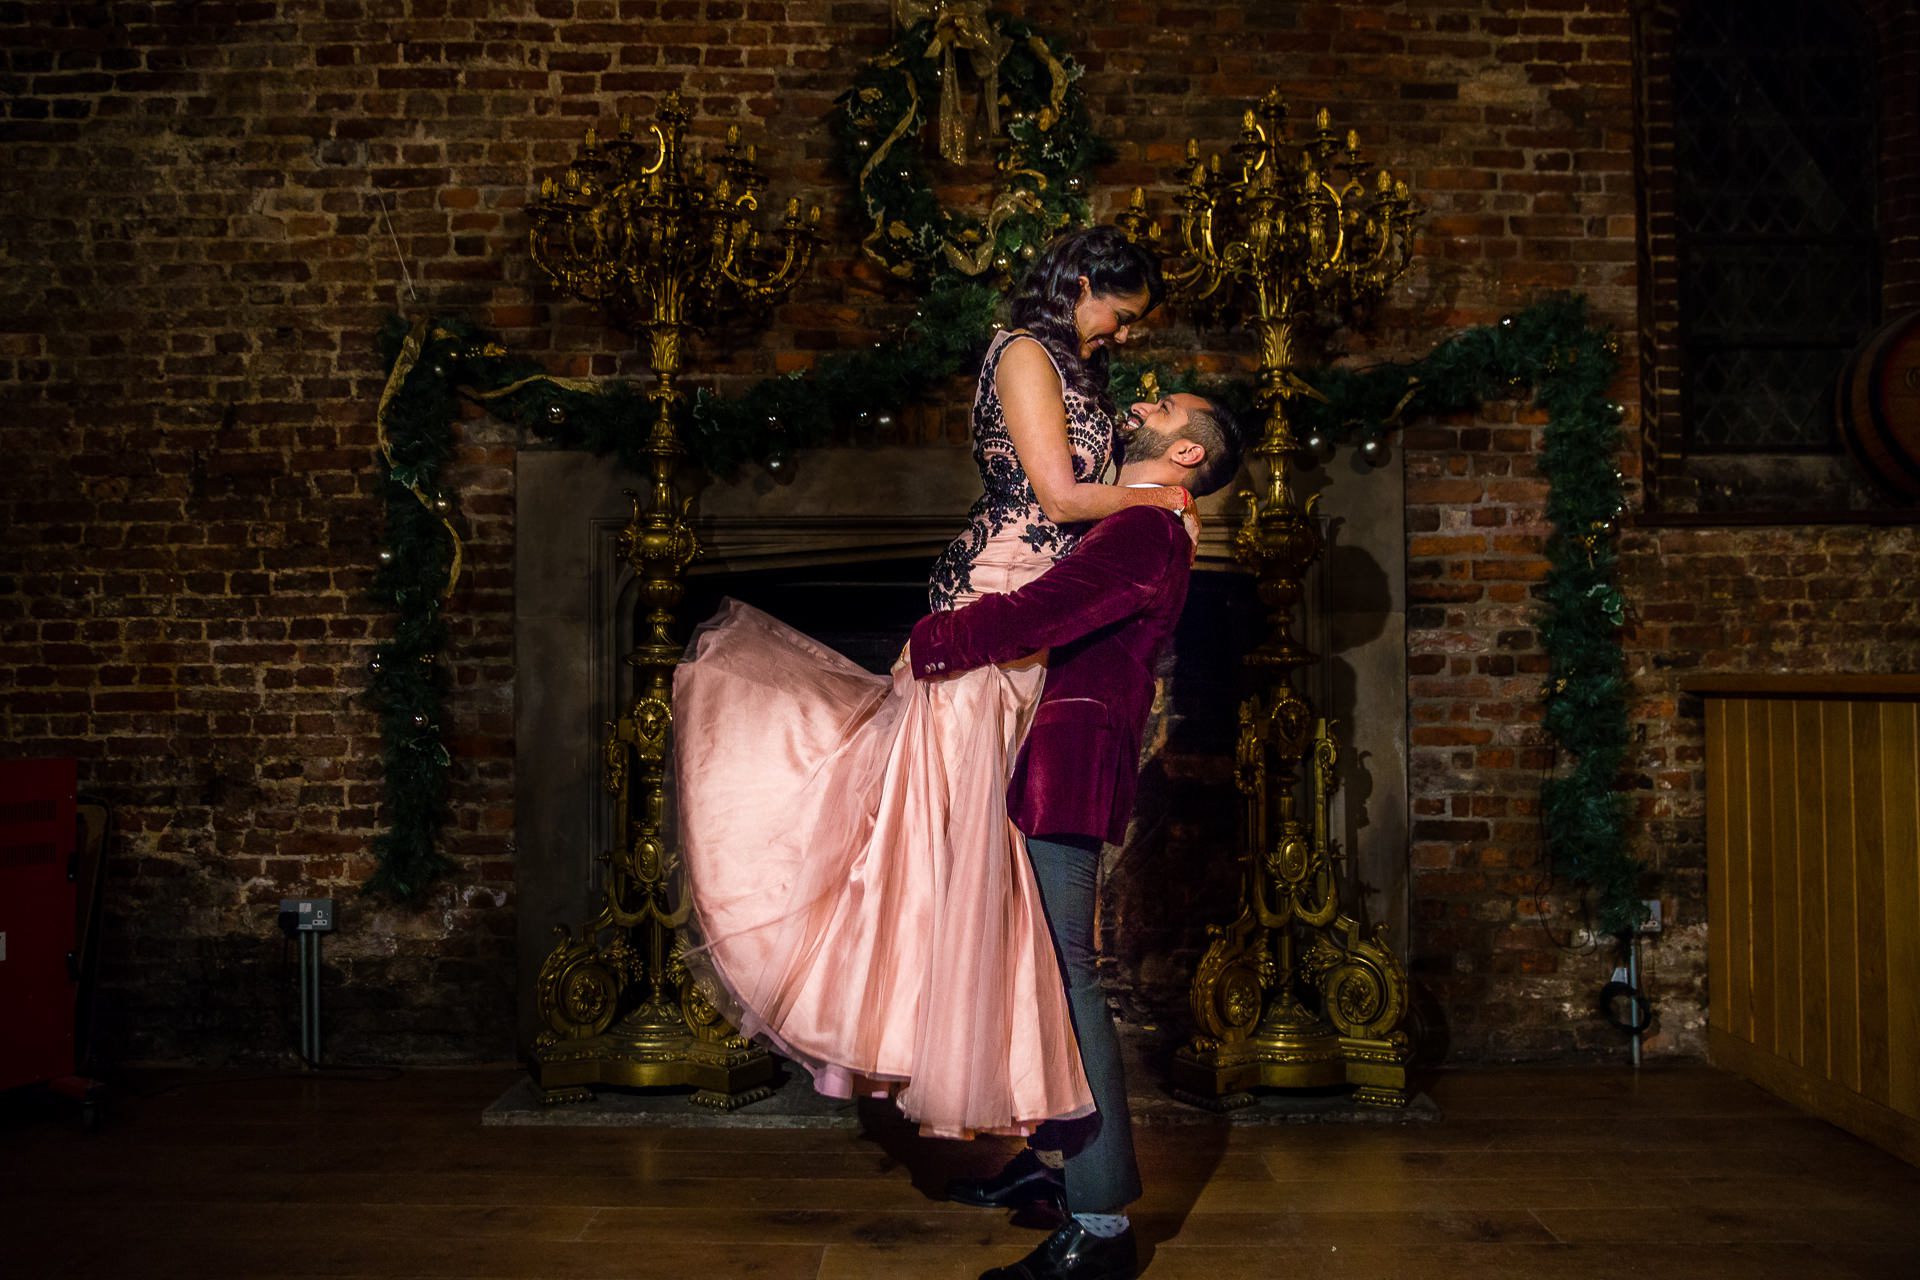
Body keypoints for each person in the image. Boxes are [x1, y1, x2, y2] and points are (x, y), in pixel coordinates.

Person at [672, 227, 1186, 1139]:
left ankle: (1019, 1119)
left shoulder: (1076, 367)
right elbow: (1061, 500)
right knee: (946, 862)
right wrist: (1164, 499)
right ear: (1081, 282)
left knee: (996, 877)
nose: (1126, 334)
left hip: (1035, 623)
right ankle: (955, 1073)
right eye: (1123, 312)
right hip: (995, 606)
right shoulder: (1026, 353)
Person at [913, 392, 1246, 1280]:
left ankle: (1100, 1223)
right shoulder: (1145, 520)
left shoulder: (1143, 533)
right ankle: (1060, 1169)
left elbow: (1037, 616)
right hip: (1060, 752)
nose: (1144, 401)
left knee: (1069, 980)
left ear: (1184, 454)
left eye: (1165, 405)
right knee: (1045, 975)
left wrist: (932, 641)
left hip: (1072, 758)